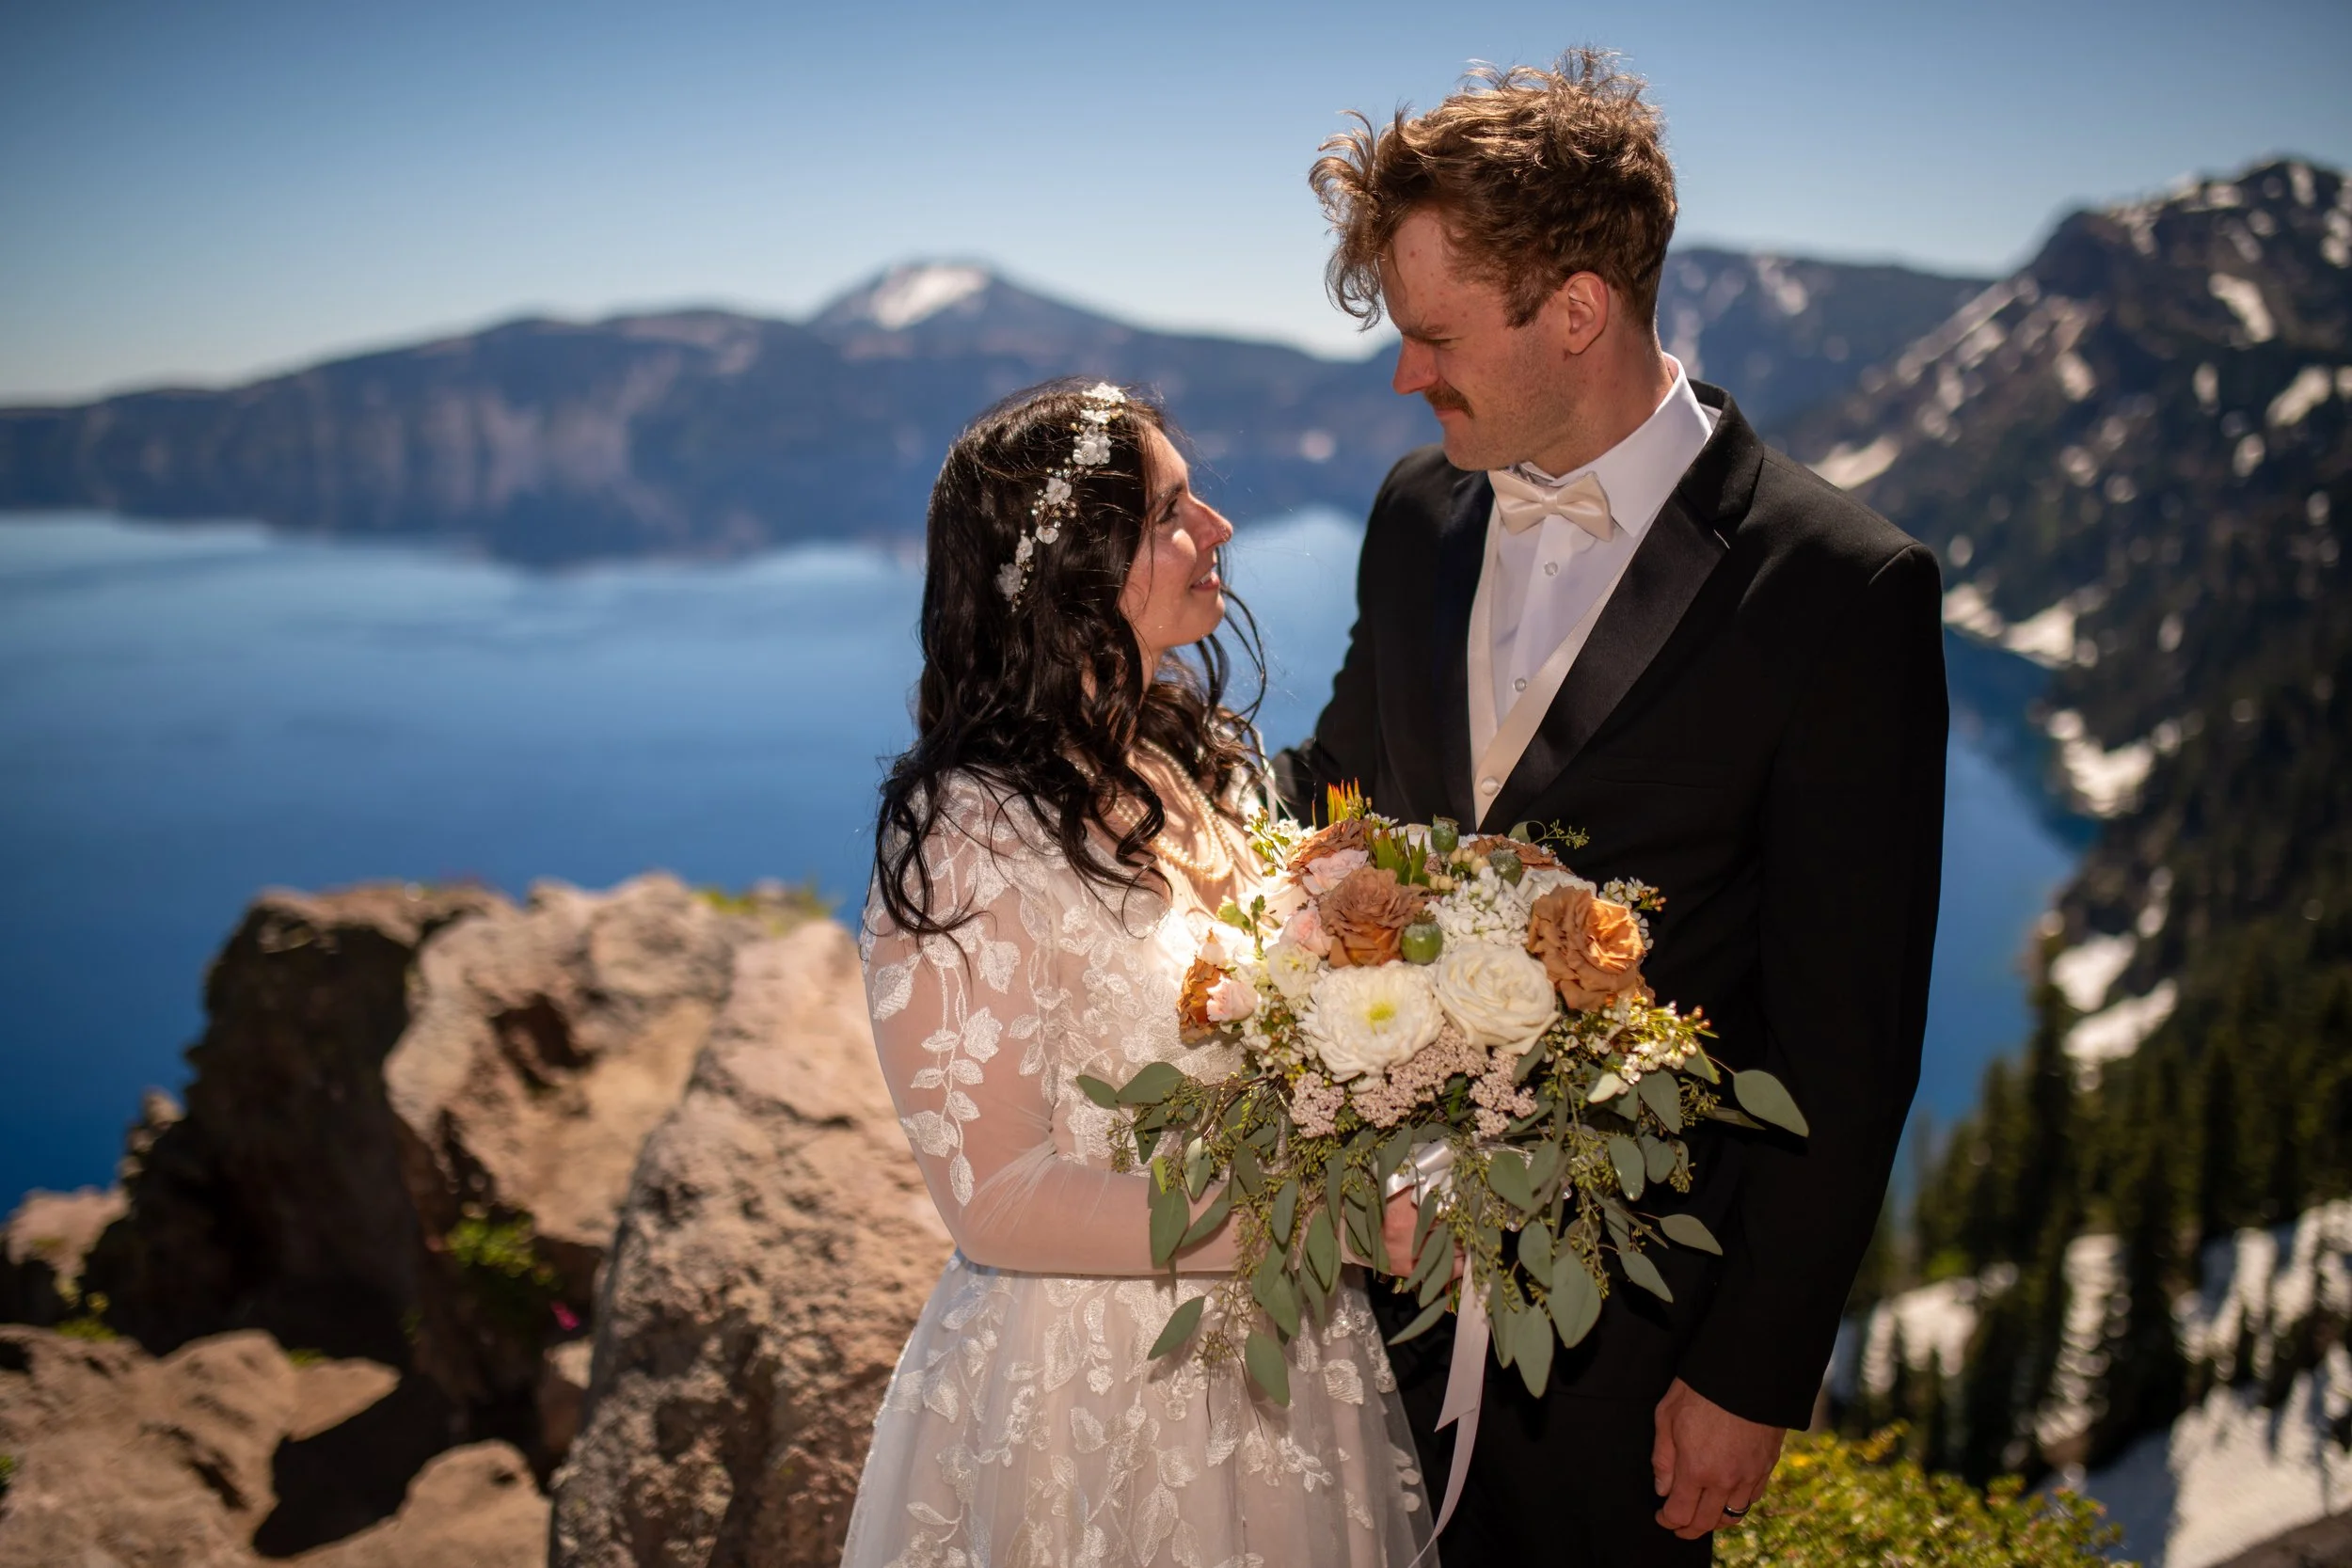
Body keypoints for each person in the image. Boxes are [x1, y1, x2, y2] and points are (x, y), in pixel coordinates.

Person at [1275, 54, 1948, 1565]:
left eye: (1434, 336)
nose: (1405, 376)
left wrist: (1751, 1369)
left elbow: (1849, 1038)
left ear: (1575, 310)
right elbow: (1330, 805)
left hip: (1626, 1355)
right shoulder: (1412, 512)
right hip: (1358, 1289)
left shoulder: (1843, 589)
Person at [845, 380, 1431, 1568]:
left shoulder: (1184, 763)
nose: (1216, 528)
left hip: (1287, 1354)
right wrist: (1325, 1218)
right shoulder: (971, 834)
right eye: (1171, 511)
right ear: (1071, 570)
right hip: (1089, 1392)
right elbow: (997, 1200)